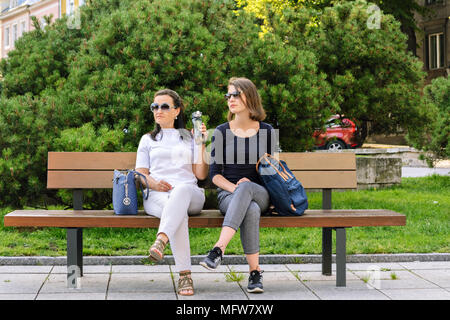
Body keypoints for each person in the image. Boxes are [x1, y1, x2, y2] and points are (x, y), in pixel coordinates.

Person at [200, 77, 276, 293]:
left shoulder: (267, 131)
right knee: (249, 208)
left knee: (250, 196)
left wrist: (247, 186)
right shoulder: (222, 131)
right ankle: (255, 273)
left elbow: (272, 173)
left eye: (236, 94)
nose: (230, 99)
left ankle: (218, 249)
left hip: (261, 193)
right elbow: (214, 176)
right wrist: (237, 188)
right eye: (228, 95)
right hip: (228, 195)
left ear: (249, 97)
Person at [135, 89, 208, 296]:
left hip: (190, 193)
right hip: (158, 196)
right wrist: (155, 184)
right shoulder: (147, 139)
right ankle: (185, 276)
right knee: (177, 213)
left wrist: (200, 143)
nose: (158, 110)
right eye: (154, 107)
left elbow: (200, 174)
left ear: (177, 111)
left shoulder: (189, 137)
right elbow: (140, 175)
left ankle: (162, 239)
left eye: (164, 106)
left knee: (182, 189)